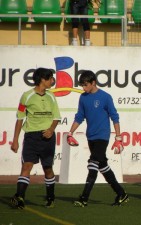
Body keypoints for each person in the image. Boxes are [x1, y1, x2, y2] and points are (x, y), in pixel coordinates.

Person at [67, 70, 128, 207]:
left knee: (92, 164)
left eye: (85, 85)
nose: (83, 88)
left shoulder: (105, 97)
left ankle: (84, 198)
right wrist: (70, 133)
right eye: (82, 85)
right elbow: (79, 117)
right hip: (91, 136)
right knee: (102, 165)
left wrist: (118, 137)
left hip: (102, 136)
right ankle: (121, 194)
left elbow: (115, 117)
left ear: (93, 82)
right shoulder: (83, 97)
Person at [10, 68, 61, 209]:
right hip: (31, 137)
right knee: (26, 166)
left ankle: (51, 198)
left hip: (47, 138)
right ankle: (20, 197)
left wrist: (51, 130)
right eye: (50, 78)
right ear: (42, 80)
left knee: (48, 168)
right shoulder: (26, 96)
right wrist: (15, 140)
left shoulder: (51, 96)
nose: (53, 81)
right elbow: (20, 119)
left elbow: (56, 117)